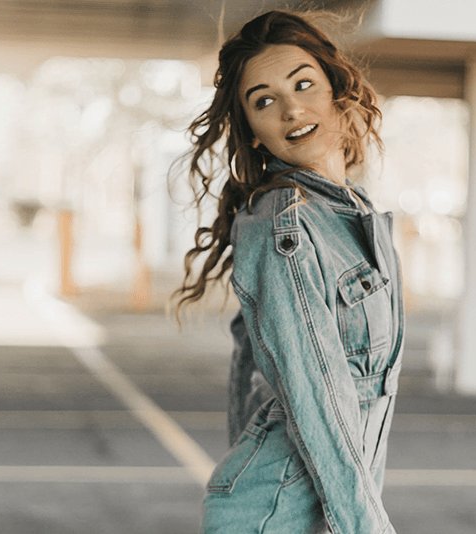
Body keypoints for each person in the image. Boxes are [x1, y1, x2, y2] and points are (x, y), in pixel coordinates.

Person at [173, 10, 403, 534]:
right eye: (264, 100)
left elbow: (248, 360)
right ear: (253, 132)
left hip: (313, 510)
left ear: (336, 90)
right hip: (275, 516)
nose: (292, 108)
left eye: (304, 84)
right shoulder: (284, 227)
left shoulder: (354, 216)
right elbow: (317, 397)